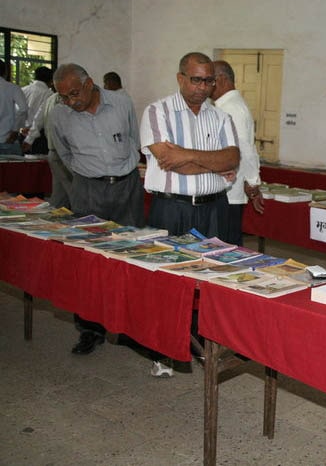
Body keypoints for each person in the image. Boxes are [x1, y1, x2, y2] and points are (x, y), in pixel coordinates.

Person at [140, 51, 240, 377]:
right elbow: (168, 160)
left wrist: (186, 155)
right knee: (167, 281)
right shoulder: (157, 112)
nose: (202, 87)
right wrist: (211, 161)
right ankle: (163, 351)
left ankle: (201, 343)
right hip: (172, 208)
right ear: (181, 77)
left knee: (210, 279)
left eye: (208, 81)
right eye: (196, 79)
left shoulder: (221, 117)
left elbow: (232, 159)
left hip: (213, 208)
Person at [50, 63, 145, 356]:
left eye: (74, 94)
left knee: (131, 257)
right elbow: (64, 154)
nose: (70, 101)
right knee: (88, 262)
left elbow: (134, 140)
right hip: (88, 190)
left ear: (89, 84)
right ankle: (90, 329)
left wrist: (120, 173)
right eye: (63, 96)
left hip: (127, 188)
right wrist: (88, 176)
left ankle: (130, 326)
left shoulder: (121, 103)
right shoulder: (59, 115)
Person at [210, 60, 263, 245]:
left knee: (226, 246)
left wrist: (253, 182)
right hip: (224, 191)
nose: (206, 85)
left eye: (210, 80)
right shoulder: (225, 105)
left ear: (222, 79)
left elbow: (244, 149)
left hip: (229, 194)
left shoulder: (231, 108)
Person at [20, 66, 54, 154]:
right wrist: (30, 136)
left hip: (22, 133)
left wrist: (21, 128)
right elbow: (41, 117)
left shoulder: (23, 90)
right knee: (38, 161)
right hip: (39, 137)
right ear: (51, 81)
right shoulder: (49, 95)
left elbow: (17, 112)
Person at [0, 60, 28, 155]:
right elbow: (23, 109)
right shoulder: (12, 88)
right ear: (5, 73)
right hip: (7, 140)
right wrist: (15, 130)